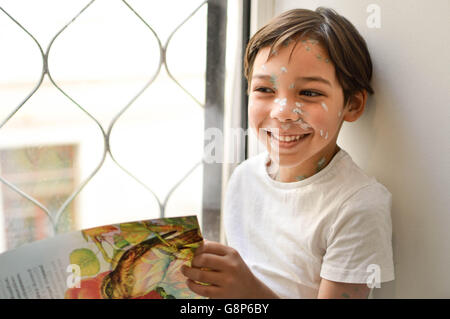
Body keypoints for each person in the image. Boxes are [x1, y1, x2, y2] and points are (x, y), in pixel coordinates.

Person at [181, 7, 394, 299]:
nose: (282, 113)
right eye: (264, 89)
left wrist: (248, 291)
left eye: (309, 93)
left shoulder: (357, 206)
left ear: (352, 105)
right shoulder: (244, 178)